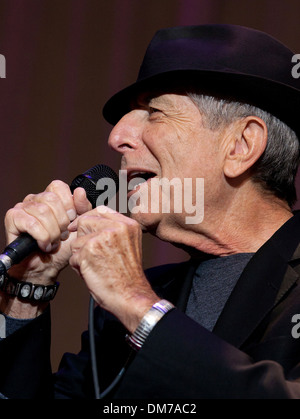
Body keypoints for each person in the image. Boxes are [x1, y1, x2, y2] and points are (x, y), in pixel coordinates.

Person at [0, 23, 300, 399]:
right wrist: (27, 291)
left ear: (241, 145)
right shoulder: (147, 293)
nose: (116, 137)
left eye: (154, 112)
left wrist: (140, 308)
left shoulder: (134, 297)